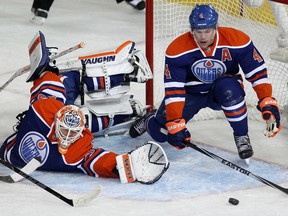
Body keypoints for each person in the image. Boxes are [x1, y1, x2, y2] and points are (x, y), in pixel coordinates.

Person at [0, 33, 169, 184]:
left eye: (71, 132)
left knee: (63, 80)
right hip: (16, 150)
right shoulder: (75, 151)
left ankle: (125, 91)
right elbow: (99, 161)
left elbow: (48, 89)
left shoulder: (43, 112)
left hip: (13, 150)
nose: (67, 137)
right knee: (78, 97)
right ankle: (128, 111)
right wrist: (127, 166)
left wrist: (45, 71)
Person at [129, 4, 281, 160]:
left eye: (207, 31)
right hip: (191, 94)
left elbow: (257, 72)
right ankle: (150, 119)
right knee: (161, 135)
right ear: (192, 30)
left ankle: (242, 137)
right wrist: (175, 122)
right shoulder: (177, 50)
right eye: (198, 32)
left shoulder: (237, 40)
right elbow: (174, 90)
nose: (203, 37)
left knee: (230, 90)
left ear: (216, 28)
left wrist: (266, 99)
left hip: (221, 89)